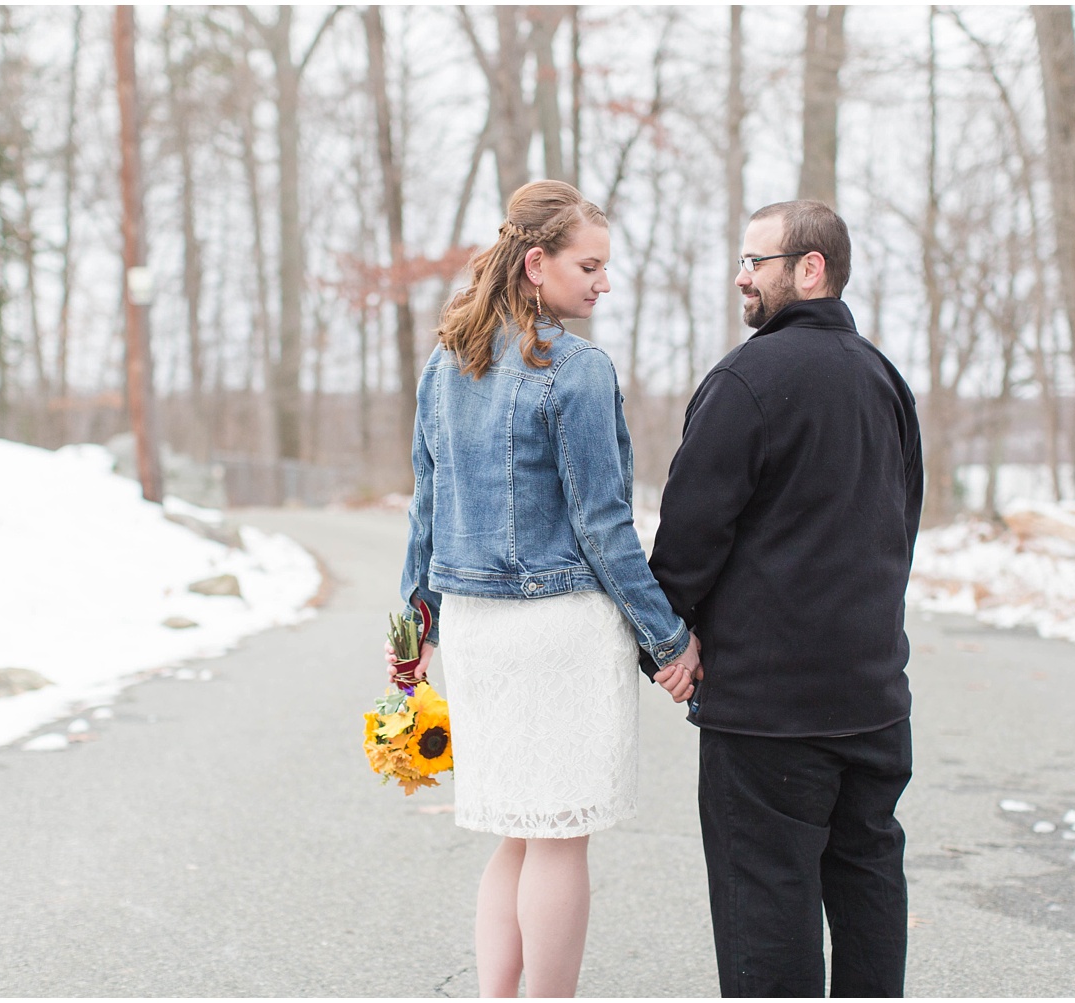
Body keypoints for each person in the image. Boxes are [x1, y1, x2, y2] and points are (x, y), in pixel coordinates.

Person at [389, 179, 700, 999]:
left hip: (478, 633)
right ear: (537, 262)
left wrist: (414, 626)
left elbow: (426, 503)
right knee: (560, 838)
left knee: (516, 834)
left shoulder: (445, 362)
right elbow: (604, 527)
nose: (603, 281)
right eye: (589, 264)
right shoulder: (577, 370)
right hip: (560, 627)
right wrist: (669, 640)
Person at [646, 200, 922, 998]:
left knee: (766, 905)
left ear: (810, 268)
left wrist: (665, 639)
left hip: (768, 714)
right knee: (870, 887)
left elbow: (692, 533)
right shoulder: (884, 379)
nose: (741, 277)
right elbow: (903, 523)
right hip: (873, 699)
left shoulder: (747, 378)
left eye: (753, 261)